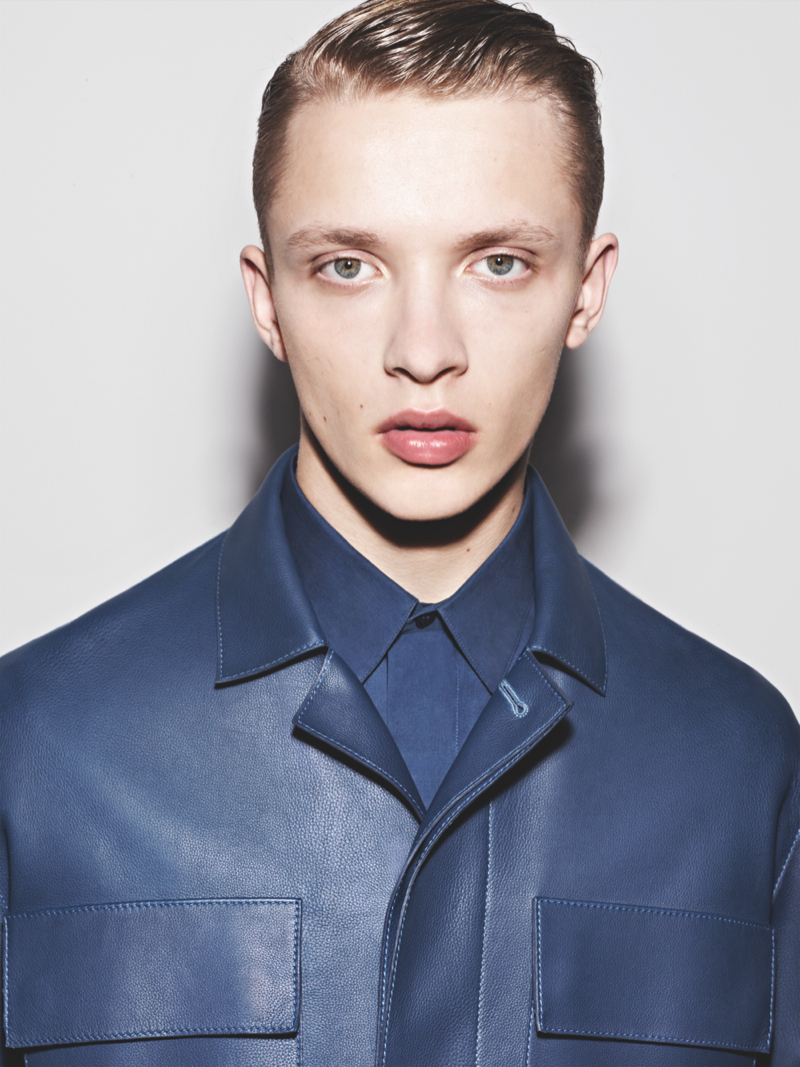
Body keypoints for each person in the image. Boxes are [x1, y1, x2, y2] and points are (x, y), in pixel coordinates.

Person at [1, 0, 797, 1064]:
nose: (423, 351)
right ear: (267, 300)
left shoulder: (740, 758)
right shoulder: (36, 742)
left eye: (498, 262)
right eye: (347, 264)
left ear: (586, 289)